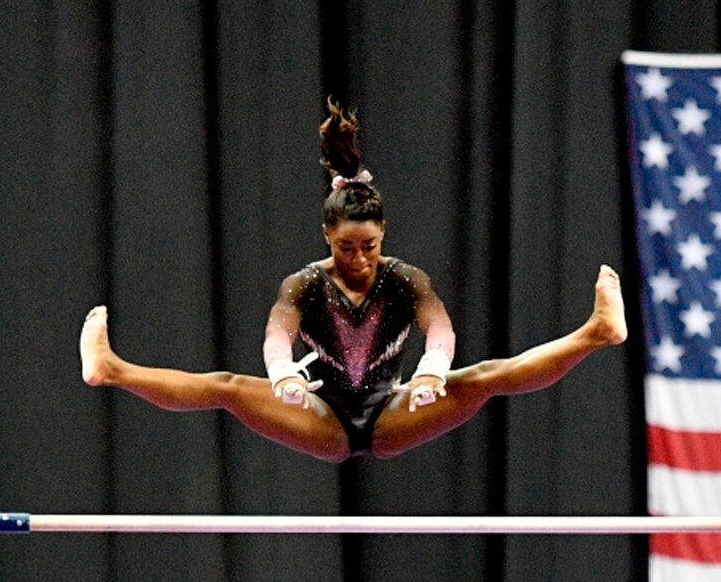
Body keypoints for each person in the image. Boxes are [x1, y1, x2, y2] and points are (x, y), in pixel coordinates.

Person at [79, 100, 627, 463]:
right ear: (325, 236)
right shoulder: (303, 285)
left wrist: (434, 372)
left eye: (370, 246)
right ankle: (113, 370)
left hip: (394, 413)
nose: (360, 259)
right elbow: (277, 335)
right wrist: (283, 375)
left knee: (482, 377)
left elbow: (439, 331)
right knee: (226, 387)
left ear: (384, 233)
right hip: (322, 418)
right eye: (346, 247)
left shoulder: (406, 279)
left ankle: (597, 332)